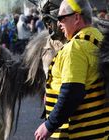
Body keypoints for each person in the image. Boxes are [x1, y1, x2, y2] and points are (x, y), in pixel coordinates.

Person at [34, 0, 109, 140]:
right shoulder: (98, 38)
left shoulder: (75, 48)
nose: (58, 23)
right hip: (99, 131)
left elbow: (72, 92)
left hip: (77, 132)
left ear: (76, 17)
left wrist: (49, 125)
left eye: (62, 18)